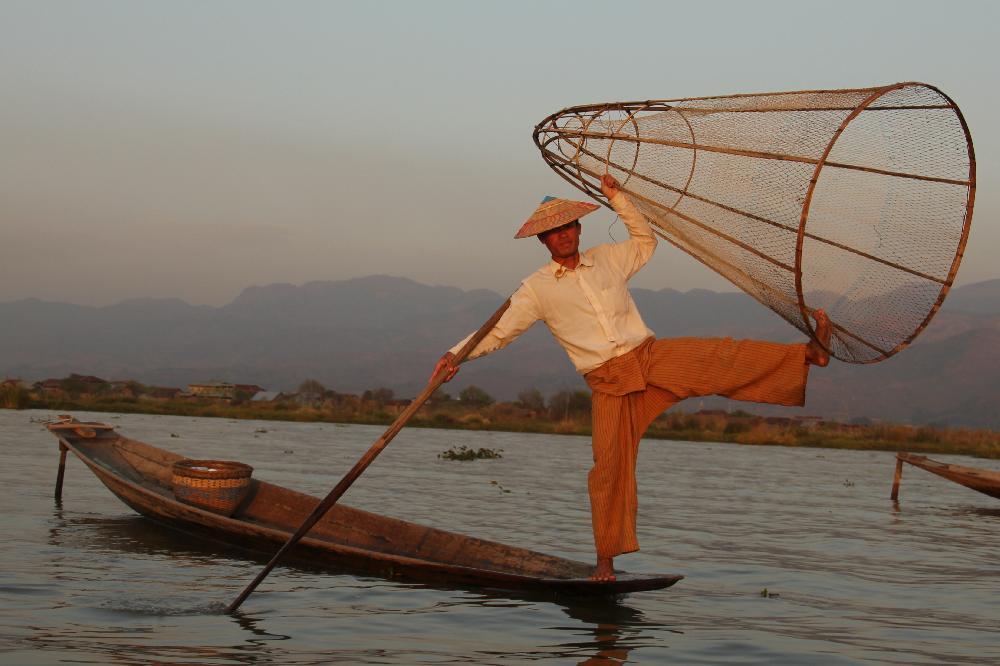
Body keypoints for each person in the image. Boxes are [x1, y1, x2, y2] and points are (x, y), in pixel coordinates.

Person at [431, 174, 831, 581]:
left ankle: (808, 355)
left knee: (718, 356)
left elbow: (645, 242)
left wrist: (618, 199)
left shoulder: (606, 258)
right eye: (554, 232)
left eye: (568, 226)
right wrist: (455, 354)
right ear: (544, 241)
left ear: (578, 229)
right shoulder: (535, 289)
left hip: (648, 356)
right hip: (608, 383)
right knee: (608, 469)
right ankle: (605, 561)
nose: (563, 236)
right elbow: (499, 331)